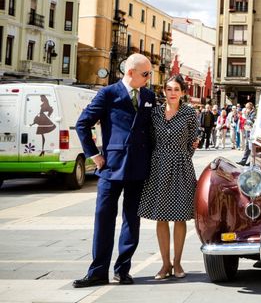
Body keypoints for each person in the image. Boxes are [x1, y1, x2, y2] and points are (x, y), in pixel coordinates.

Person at [73, 54, 156, 288]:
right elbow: (83, 123)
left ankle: (123, 270)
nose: (149, 78)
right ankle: (98, 271)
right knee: (103, 219)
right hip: (110, 167)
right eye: (145, 74)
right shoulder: (108, 94)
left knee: (132, 220)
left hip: (138, 167)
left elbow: (153, 128)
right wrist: (94, 154)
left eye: (149, 74)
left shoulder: (149, 96)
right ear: (130, 72)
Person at [138, 75, 199, 280]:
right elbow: (150, 139)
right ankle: (165, 264)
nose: (172, 93)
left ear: (182, 92)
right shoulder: (154, 113)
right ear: (164, 91)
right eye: (169, 89)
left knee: (180, 216)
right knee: (161, 216)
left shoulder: (190, 113)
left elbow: (192, 141)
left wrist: (179, 157)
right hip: (158, 166)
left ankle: (178, 263)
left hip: (181, 165)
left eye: (176, 89)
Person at [236, 102, 255, 166]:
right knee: (248, 147)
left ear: (250, 107)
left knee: (249, 147)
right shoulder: (249, 113)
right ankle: (246, 161)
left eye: (247, 107)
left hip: (251, 132)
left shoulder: (253, 113)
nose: (246, 109)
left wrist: (246, 116)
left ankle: (249, 161)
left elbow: (251, 121)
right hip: (248, 131)